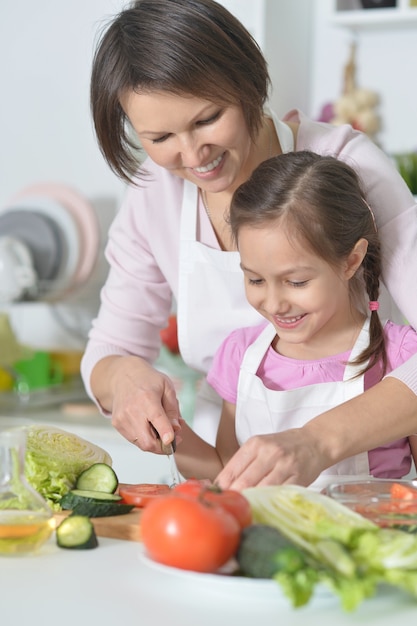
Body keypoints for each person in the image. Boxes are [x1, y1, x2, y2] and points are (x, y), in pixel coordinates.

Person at [81, 0, 417, 490]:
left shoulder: (346, 165)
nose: (195, 156)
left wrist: (317, 441)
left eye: (208, 119)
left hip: (365, 481)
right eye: (161, 137)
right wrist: (125, 379)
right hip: (237, 483)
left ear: (247, 84)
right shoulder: (154, 195)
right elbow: (108, 350)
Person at [173, 151, 417, 484]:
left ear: (351, 260)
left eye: (296, 282)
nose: (274, 303)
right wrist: (170, 428)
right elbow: (228, 477)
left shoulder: (400, 355)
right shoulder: (241, 355)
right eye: (255, 279)